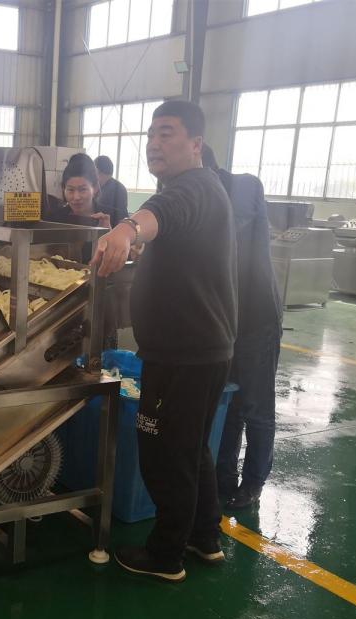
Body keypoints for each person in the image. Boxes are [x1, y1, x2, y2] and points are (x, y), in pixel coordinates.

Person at [92, 100, 237, 582]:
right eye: (151, 134)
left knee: (164, 451)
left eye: (167, 133)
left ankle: (166, 555)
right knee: (191, 449)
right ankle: (204, 537)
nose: (155, 143)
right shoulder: (198, 188)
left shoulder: (192, 187)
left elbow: (159, 213)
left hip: (182, 353)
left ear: (195, 143)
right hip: (200, 348)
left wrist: (127, 228)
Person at [202, 144, 282, 510]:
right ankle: (223, 476)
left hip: (256, 319)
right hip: (225, 323)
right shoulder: (203, 202)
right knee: (229, 402)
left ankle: (252, 484)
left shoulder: (244, 186)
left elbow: (229, 236)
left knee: (256, 407)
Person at [94, 155, 129, 223]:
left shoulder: (107, 191)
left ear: (97, 170)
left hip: (110, 227)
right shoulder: (118, 186)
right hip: (121, 226)